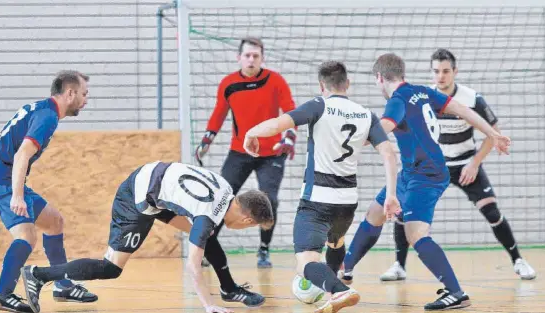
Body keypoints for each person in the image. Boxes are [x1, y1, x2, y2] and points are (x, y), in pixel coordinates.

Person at [341, 53, 511, 311]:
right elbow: (463, 110)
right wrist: (493, 133)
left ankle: (456, 293)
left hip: (426, 175)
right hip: (413, 171)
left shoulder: (397, 100)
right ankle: (345, 269)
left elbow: (383, 127)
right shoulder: (420, 92)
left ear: (380, 78)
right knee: (375, 212)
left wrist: (348, 140)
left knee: (415, 232)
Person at [243, 61, 401, 313]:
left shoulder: (319, 105)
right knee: (335, 242)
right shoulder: (366, 114)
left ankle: (340, 290)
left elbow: (277, 124)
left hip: (317, 198)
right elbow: (389, 154)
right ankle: (333, 284)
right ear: (347, 84)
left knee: (305, 260)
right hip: (348, 201)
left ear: (322, 85)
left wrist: (251, 132)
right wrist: (391, 195)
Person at [20, 161, 274, 313]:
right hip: (136, 198)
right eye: (250, 228)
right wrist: (208, 305)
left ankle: (229, 289)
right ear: (247, 219)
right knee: (111, 268)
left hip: (155, 183)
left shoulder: (227, 190)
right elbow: (192, 266)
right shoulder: (207, 216)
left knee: (209, 239)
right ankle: (38, 275)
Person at [380, 48, 536, 282]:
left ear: (455, 72)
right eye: (435, 72)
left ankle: (518, 260)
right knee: (402, 210)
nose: (440, 76)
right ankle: (398, 265)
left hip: (465, 164)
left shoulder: (471, 99)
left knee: (491, 211)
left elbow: (492, 133)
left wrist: (474, 163)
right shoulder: (423, 97)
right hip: (432, 167)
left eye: (445, 71)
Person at [0, 71, 97, 313]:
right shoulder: (47, 117)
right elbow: (21, 153)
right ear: (70, 93)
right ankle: (1, 294)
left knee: (54, 222)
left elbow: (5, 143)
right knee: (26, 236)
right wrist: (14, 195)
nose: (86, 99)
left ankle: (63, 285)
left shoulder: (39, 109)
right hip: (1, 180)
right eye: (84, 93)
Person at [194, 37, 296, 268]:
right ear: (238, 57)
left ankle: (263, 249)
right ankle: (208, 247)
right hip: (239, 151)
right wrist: (207, 140)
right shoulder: (228, 83)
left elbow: (290, 110)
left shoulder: (276, 80)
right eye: (247, 55)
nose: (251, 59)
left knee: (270, 200)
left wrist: (289, 137)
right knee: (220, 197)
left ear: (262, 58)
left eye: (256, 56)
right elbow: (219, 114)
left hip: (272, 153)